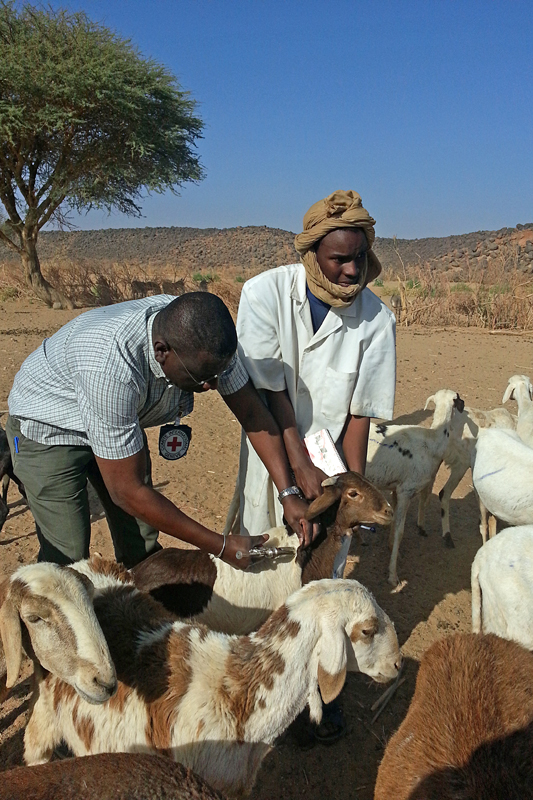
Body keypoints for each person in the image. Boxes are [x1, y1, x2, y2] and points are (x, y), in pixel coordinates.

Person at [235, 189, 396, 742]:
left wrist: (350, 495)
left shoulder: (378, 319)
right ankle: (257, 683)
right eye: (339, 259)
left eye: (359, 257)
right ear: (311, 255)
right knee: (267, 567)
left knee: (321, 573)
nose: (352, 270)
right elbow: (268, 393)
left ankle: (310, 698)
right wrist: (298, 470)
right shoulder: (264, 293)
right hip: (275, 451)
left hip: (330, 464)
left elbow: (359, 415)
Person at [6, 292, 312, 571]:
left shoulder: (202, 339)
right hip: (47, 429)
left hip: (113, 417)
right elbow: (126, 491)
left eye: (218, 375)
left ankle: (139, 616)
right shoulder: (111, 368)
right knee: (67, 557)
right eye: (202, 378)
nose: (212, 386)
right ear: (161, 351)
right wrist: (219, 545)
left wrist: (288, 492)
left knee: (142, 542)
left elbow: (251, 412)